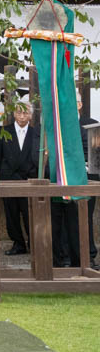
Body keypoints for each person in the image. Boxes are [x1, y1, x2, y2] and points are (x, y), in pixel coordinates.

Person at [0, 103, 39, 255]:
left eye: (26, 113)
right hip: (8, 177)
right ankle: (18, 243)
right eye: (19, 113)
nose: (22, 116)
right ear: (14, 114)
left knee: (29, 212)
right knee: (11, 213)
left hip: (28, 178)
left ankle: (34, 243)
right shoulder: (3, 131)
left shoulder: (35, 133)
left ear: (31, 115)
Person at [79, 94, 98, 268]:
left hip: (89, 177)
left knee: (87, 216)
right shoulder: (60, 124)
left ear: (79, 105)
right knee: (66, 217)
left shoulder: (91, 124)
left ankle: (89, 255)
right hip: (67, 176)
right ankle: (67, 255)